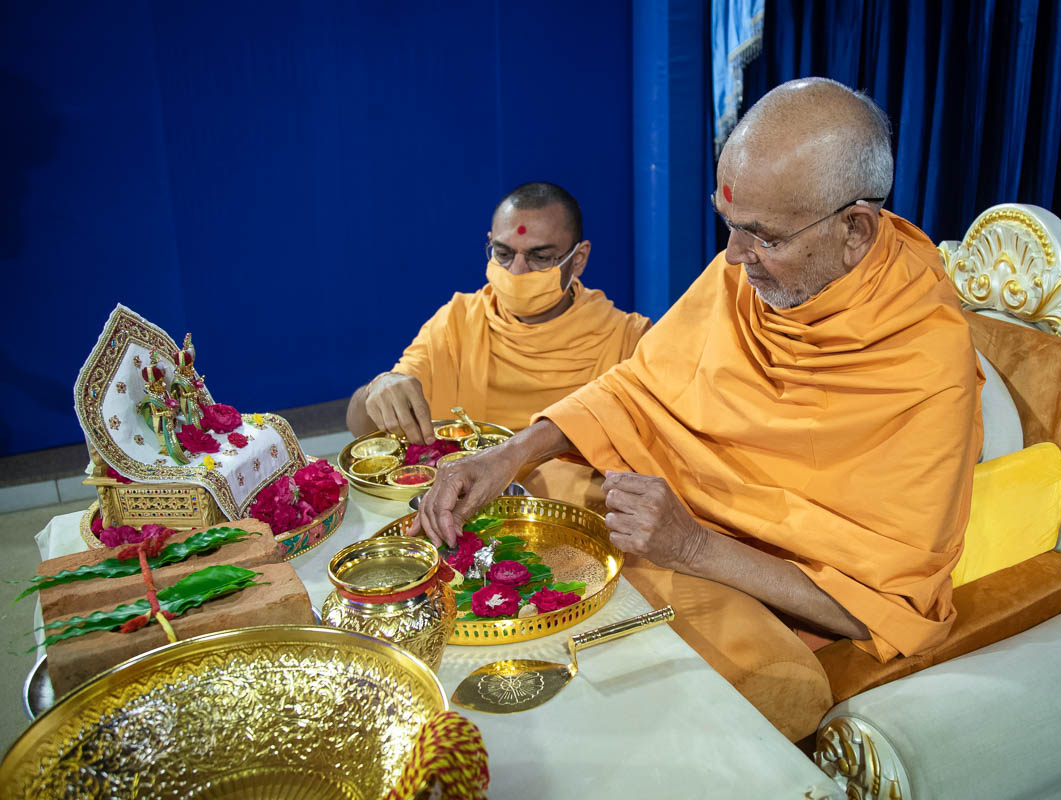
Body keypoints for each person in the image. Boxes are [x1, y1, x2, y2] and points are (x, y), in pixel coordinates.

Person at [414, 79, 983, 739]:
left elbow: (882, 606)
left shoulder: (924, 366)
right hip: (669, 533)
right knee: (535, 491)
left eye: (763, 237)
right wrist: (503, 455)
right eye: (731, 227)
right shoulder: (750, 278)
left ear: (854, 229)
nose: (737, 259)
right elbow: (637, 387)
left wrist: (690, 545)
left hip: (746, 587)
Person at [346, 182, 651, 443]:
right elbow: (360, 427)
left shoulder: (627, 340)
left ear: (579, 259)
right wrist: (379, 388)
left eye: (540, 257)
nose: (517, 271)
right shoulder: (458, 322)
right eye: (503, 254)